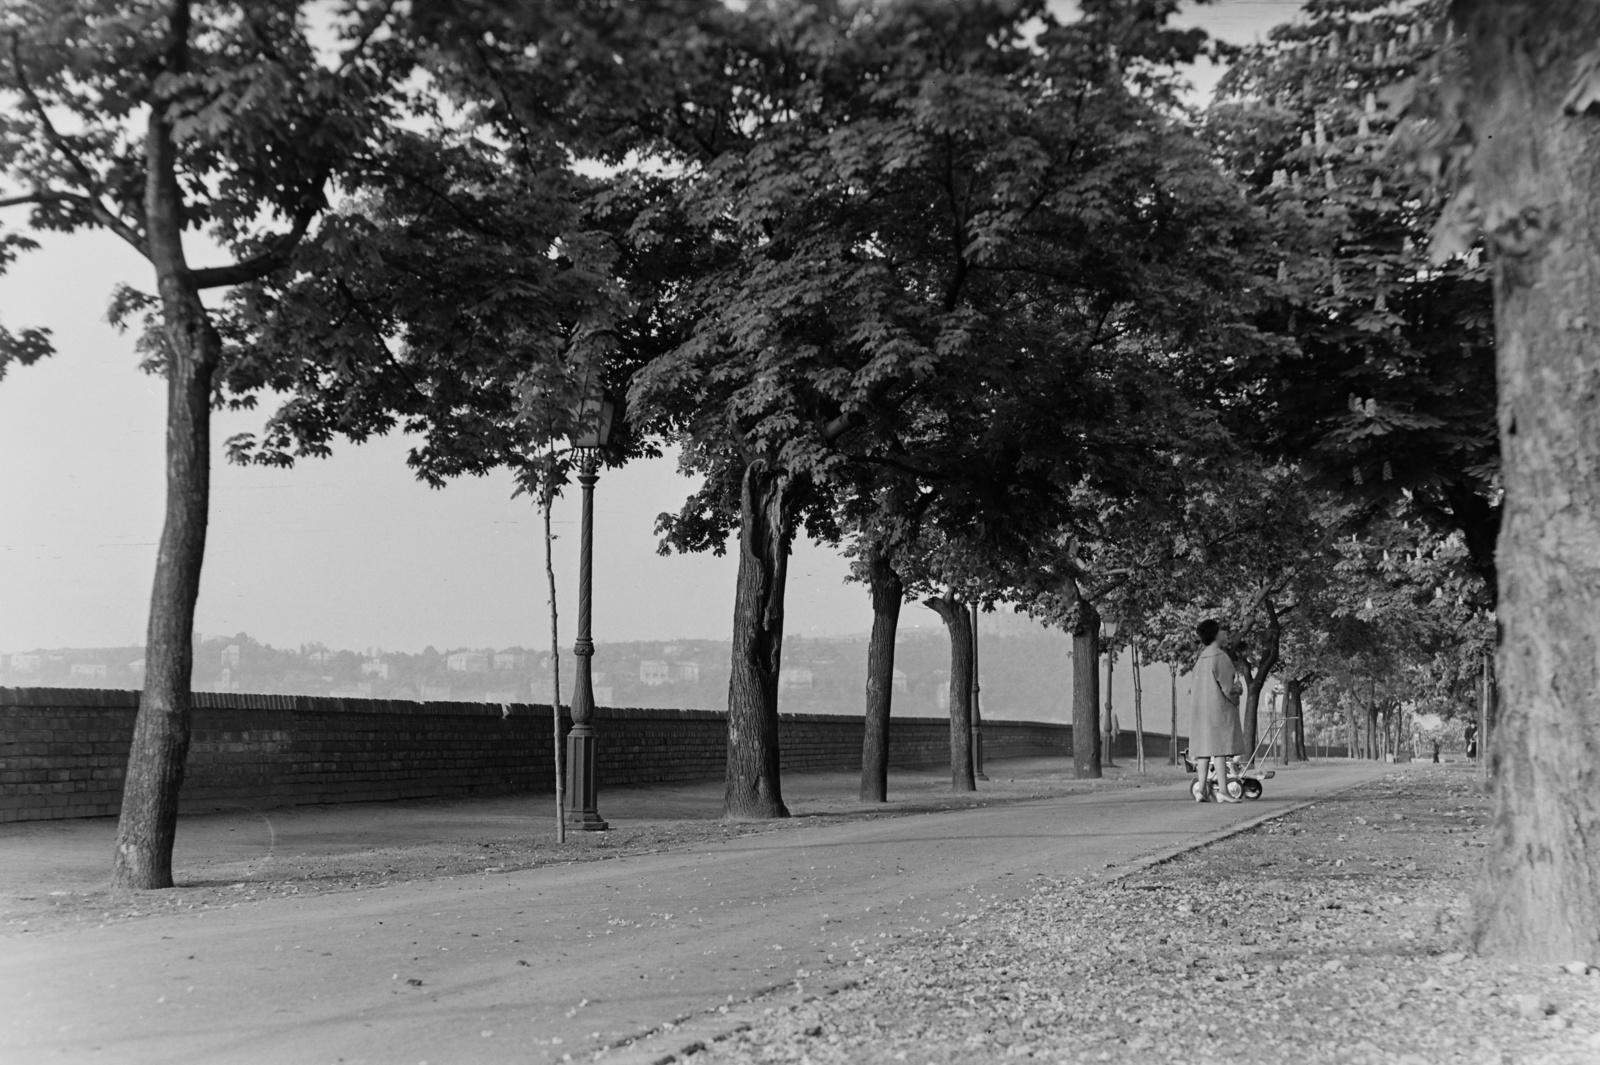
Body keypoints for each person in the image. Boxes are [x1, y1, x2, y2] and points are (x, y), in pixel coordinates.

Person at [1189, 618, 1246, 803]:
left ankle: (1201, 790)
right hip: (1218, 711)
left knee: (1205, 750)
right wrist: (1239, 689)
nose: (1225, 633)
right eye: (1222, 630)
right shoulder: (1220, 657)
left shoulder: (1201, 659)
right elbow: (1229, 688)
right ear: (1215, 635)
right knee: (1220, 749)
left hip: (1201, 712)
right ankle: (1223, 791)